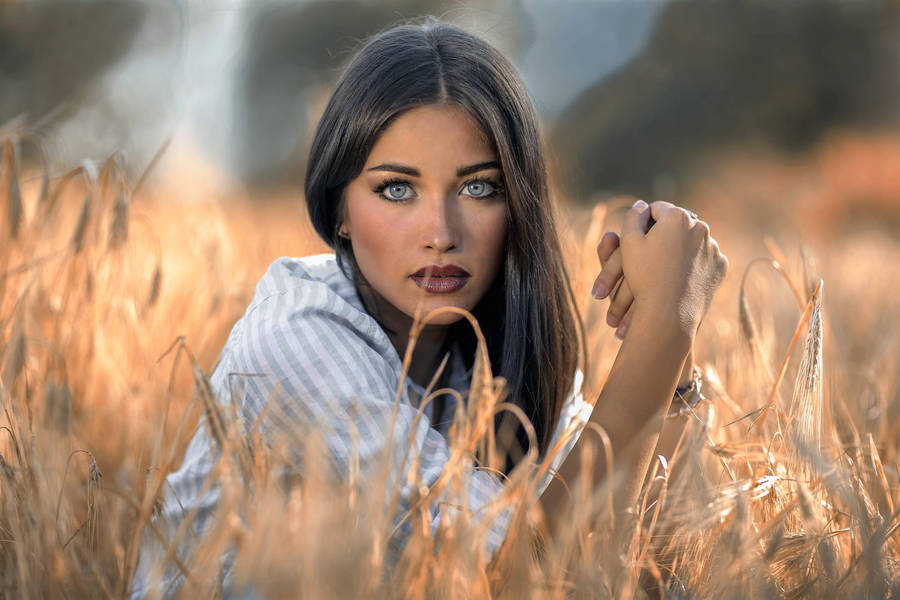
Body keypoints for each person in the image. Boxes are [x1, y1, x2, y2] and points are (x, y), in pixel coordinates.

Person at [130, 18, 727, 597]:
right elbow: (515, 581)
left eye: (478, 187)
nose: (440, 232)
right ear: (338, 208)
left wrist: (676, 360)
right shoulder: (295, 341)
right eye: (396, 189)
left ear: (518, 205)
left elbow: (647, 563)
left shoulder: (498, 354)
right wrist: (664, 328)